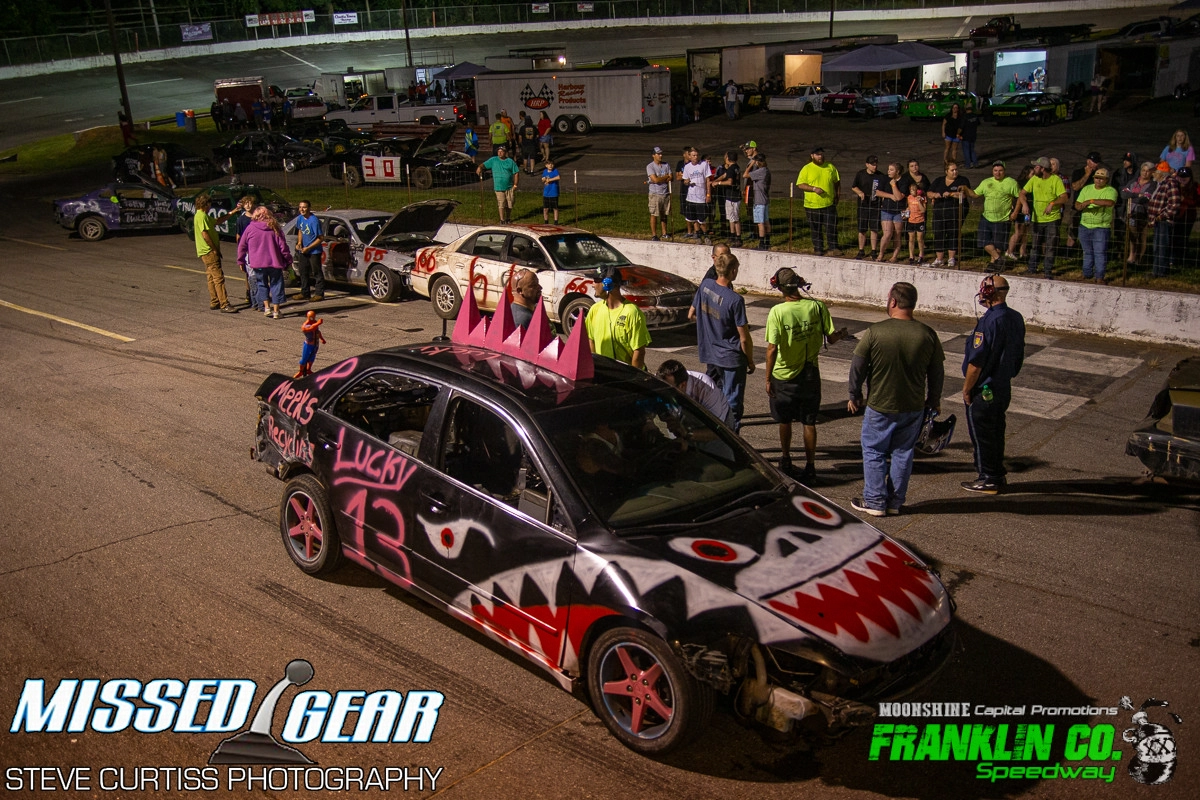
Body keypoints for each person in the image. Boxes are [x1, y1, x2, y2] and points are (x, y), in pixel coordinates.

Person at [846, 282, 945, 516]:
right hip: (913, 406)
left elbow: (857, 366)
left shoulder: (875, 332)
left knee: (874, 450)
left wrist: (854, 394)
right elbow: (937, 372)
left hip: (880, 404)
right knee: (904, 452)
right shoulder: (927, 334)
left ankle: (874, 500)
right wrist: (933, 400)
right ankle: (895, 502)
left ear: (893, 301)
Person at [765, 268, 847, 480]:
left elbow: (772, 348)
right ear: (799, 284)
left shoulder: (777, 312)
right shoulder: (818, 307)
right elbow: (831, 338)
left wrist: (767, 378)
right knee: (809, 422)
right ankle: (810, 467)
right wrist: (841, 333)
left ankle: (785, 458)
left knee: (785, 420)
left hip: (783, 375)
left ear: (779, 288)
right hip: (810, 373)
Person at [962, 274, 1025, 494]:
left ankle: (988, 477)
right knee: (997, 433)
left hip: (984, 388)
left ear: (990, 292)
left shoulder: (989, 321)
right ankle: (997, 474)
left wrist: (967, 389)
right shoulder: (1015, 317)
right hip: (1003, 386)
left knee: (982, 436)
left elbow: (976, 363)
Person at [692, 251, 754, 428]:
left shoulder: (705, 286)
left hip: (711, 352)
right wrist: (750, 360)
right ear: (733, 271)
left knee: (717, 397)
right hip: (731, 357)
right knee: (733, 402)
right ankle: (731, 436)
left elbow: (693, 313)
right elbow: (744, 338)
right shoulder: (735, 300)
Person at [585, 266, 651, 368]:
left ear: (607, 284)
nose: (593, 285)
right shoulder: (594, 310)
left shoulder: (632, 313)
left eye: (596, 280)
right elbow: (591, 340)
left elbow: (639, 352)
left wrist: (632, 376)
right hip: (604, 373)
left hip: (625, 374)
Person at [237, 206, 293, 320]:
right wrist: (288, 260)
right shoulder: (275, 228)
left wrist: (241, 261)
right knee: (276, 285)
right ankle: (276, 311)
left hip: (258, 263)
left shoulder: (250, 228)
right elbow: (283, 247)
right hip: (274, 262)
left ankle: (267, 308)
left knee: (261, 284)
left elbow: (241, 246)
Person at [1019, 157, 1068, 278]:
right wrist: (1024, 204)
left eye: (1036, 167)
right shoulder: (1035, 179)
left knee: (1050, 246)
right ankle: (1032, 268)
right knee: (1035, 245)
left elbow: (1064, 197)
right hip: (1037, 219)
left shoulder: (1055, 180)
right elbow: (1022, 193)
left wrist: (1052, 203)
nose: (1034, 169)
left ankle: (1047, 271)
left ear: (1043, 169)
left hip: (1052, 219)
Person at [192, 194, 237, 314]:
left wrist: (232, 212)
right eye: (209, 205)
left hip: (204, 252)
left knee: (211, 277)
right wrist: (214, 249)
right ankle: (224, 303)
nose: (210, 207)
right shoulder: (202, 216)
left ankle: (214, 301)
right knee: (218, 278)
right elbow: (205, 234)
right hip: (209, 251)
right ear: (206, 204)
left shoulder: (201, 215)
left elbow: (217, 221)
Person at [656, 360, 734, 427]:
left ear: (682, 385)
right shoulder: (660, 384)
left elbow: (717, 428)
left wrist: (687, 434)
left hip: (719, 423)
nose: (663, 392)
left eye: (668, 389)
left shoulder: (707, 390)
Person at [973, 161, 1021, 268]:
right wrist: (965, 189)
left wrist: (1015, 212)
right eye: (995, 170)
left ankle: (993, 264)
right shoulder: (986, 182)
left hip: (1002, 219)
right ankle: (999, 259)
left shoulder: (1011, 183)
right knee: (983, 241)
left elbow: (1020, 197)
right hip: (987, 217)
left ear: (1004, 171)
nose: (998, 173)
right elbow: (975, 194)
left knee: (998, 245)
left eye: (1000, 171)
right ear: (992, 171)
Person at [795, 146, 840, 256]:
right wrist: (814, 189)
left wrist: (837, 195)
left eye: (821, 154)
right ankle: (818, 248)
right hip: (812, 205)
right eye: (817, 155)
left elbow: (837, 182)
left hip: (828, 203)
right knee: (816, 228)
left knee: (831, 227)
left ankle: (833, 247)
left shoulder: (830, 167)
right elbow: (800, 184)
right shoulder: (806, 168)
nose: (820, 157)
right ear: (812, 156)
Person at [1074, 167, 1118, 283]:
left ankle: (1099, 276)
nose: (1098, 180)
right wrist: (1080, 206)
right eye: (1097, 178)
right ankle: (1087, 273)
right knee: (1087, 252)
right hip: (1085, 225)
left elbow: (1109, 202)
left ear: (1106, 180)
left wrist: (1091, 201)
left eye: (1101, 178)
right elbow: (1077, 203)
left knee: (1100, 253)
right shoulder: (1086, 189)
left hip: (1101, 227)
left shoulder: (1110, 191)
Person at [928, 161, 974, 267]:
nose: (955, 172)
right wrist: (935, 195)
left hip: (954, 212)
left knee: (953, 233)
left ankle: (951, 258)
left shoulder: (962, 180)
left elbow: (964, 194)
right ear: (946, 171)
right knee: (938, 233)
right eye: (952, 170)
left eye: (956, 169)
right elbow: (929, 192)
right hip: (939, 212)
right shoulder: (939, 180)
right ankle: (939, 258)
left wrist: (951, 194)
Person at [1147, 161, 1182, 278]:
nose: (1153, 174)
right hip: (1158, 221)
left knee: (1162, 247)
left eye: (1155, 172)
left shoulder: (1170, 183)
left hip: (1164, 221)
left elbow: (1174, 204)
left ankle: (1161, 272)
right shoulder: (1161, 184)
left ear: (1161, 173)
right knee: (1157, 247)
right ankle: (1156, 271)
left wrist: (1162, 216)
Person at [1121, 161, 1156, 267]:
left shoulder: (1152, 184)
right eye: (1143, 170)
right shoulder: (1134, 182)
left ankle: (1139, 259)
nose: (1145, 173)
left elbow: (1145, 198)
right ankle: (1131, 256)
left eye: (1148, 171)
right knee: (1132, 236)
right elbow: (1123, 194)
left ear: (1152, 172)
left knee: (1141, 237)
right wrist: (1137, 195)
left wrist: (1132, 196)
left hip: (1143, 214)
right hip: (1131, 212)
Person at [850, 155, 883, 260]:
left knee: (874, 228)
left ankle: (874, 250)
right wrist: (860, 192)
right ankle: (861, 250)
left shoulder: (880, 176)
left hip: (875, 205)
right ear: (867, 165)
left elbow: (883, 190)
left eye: (876, 164)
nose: (875, 166)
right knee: (862, 229)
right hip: (863, 205)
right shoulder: (860, 174)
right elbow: (854, 186)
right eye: (872, 164)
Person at [478, 145, 520, 223]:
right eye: (498, 151)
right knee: (501, 203)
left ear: (505, 152)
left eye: (501, 151)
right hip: (498, 187)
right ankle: (502, 219)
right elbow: (483, 165)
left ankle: (508, 218)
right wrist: (479, 167)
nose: (500, 153)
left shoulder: (510, 161)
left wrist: (515, 185)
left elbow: (516, 173)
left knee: (510, 203)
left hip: (509, 187)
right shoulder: (493, 160)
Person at [293, 200, 325, 302]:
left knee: (316, 272)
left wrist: (309, 247)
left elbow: (320, 238)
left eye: (304, 207)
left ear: (309, 208)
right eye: (300, 207)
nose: (302, 209)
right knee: (303, 271)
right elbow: (300, 231)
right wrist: (299, 242)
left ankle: (319, 293)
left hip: (314, 251)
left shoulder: (314, 221)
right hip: (303, 250)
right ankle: (305, 292)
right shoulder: (300, 218)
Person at [681, 148, 712, 243]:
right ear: (689, 156)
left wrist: (708, 194)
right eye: (693, 155)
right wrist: (687, 182)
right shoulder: (687, 167)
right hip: (691, 197)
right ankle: (698, 235)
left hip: (701, 196)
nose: (695, 157)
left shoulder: (704, 164)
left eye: (697, 155)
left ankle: (706, 235)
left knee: (702, 219)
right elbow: (685, 181)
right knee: (693, 218)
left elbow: (708, 180)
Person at [876, 162, 905, 263]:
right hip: (887, 210)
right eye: (888, 169)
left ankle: (894, 256)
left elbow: (899, 197)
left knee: (897, 234)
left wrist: (893, 185)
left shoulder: (904, 181)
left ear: (897, 171)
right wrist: (890, 196)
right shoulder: (884, 178)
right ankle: (881, 253)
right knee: (887, 233)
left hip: (899, 211)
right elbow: (878, 192)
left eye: (891, 170)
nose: (888, 171)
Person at [711, 150, 742, 244]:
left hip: (733, 197)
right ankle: (732, 235)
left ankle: (738, 237)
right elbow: (724, 175)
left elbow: (729, 181)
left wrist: (718, 183)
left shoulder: (731, 169)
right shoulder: (736, 167)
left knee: (735, 218)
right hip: (732, 196)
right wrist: (715, 181)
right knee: (731, 218)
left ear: (728, 158)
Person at [744, 152, 772, 250]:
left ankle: (762, 243)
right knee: (766, 221)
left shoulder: (760, 172)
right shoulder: (766, 171)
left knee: (760, 223)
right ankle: (767, 241)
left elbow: (745, 175)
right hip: (765, 199)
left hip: (759, 201)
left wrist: (751, 164)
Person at [646, 146, 673, 241]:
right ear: (653, 155)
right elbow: (655, 180)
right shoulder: (650, 166)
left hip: (665, 193)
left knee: (664, 214)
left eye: (661, 154)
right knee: (654, 214)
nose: (660, 155)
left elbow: (671, 177)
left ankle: (664, 233)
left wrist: (664, 178)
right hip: (655, 194)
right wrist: (665, 177)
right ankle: (654, 235)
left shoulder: (666, 165)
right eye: (658, 154)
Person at [295, 311, 327, 379]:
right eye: (311, 317)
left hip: (315, 344)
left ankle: (308, 369)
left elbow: (317, 332)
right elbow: (311, 328)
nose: (313, 318)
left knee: (312, 357)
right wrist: (318, 323)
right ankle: (301, 371)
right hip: (308, 345)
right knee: (304, 358)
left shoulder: (314, 322)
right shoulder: (305, 325)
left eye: (313, 316)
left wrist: (322, 339)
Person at [904, 183, 927, 264]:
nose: (912, 192)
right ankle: (911, 256)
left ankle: (921, 255)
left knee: (920, 239)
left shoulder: (922, 198)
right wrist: (906, 213)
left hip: (919, 220)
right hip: (911, 220)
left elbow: (923, 210)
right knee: (911, 239)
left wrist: (919, 201)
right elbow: (908, 207)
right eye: (910, 190)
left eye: (913, 190)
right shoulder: (909, 197)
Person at [540, 158, 560, 223]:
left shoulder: (555, 171)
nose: (550, 165)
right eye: (549, 164)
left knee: (555, 208)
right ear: (546, 165)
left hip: (554, 192)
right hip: (546, 193)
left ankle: (556, 221)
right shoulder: (545, 171)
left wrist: (550, 180)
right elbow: (543, 178)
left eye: (552, 164)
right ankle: (546, 221)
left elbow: (558, 177)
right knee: (545, 208)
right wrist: (544, 179)